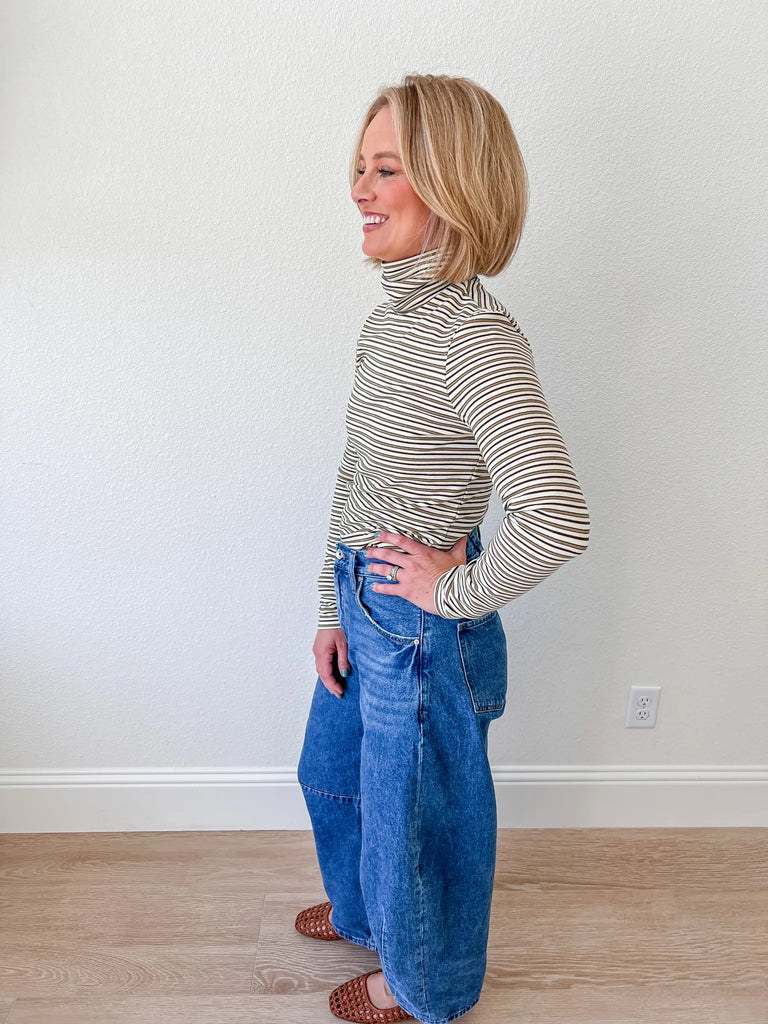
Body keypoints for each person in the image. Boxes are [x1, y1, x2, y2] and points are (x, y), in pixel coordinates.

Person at [295, 73, 590, 1024]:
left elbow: (556, 516)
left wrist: (451, 592)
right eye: (360, 167)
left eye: (386, 170)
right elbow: (356, 472)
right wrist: (333, 606)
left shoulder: (479, 342)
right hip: (365, 598)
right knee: (331, 776)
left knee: (416, 825)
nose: (359, 190)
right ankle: (368, 917)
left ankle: (424, 985)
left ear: (451, 188)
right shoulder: (387, 325)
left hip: (423, 628)